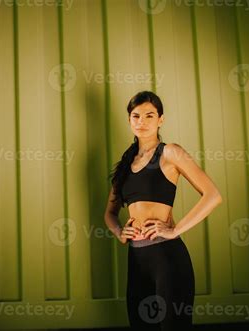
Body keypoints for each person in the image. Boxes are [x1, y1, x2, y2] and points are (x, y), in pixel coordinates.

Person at [104, 91, 222, 330]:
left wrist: (174, 229)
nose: (142, 122)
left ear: (161, 120)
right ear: (129, 120)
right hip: (136, 261)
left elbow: (213, 195)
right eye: (136, 116)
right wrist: (119, 232)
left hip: (167, 259)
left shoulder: (171, 153)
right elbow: (109, 213)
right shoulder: (126, 164)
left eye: (149, 115)